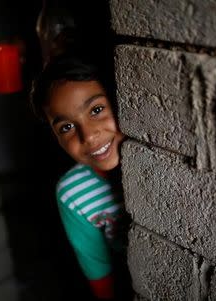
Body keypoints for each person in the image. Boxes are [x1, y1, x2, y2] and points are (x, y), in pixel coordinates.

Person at [30, 54, 131, 300]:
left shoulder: (156, 155)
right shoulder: (73, 193)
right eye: (66, 127)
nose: (88, 136)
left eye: (96, 110)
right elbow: (99, 272)